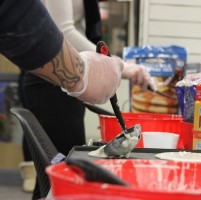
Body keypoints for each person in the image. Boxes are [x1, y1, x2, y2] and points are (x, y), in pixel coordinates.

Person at [1, 0, 151, 199]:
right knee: (61, 173)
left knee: (56, 173)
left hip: (64, 78)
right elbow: (62, 30)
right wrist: (105, 67)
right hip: (50, 83)